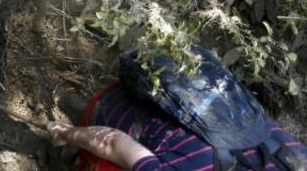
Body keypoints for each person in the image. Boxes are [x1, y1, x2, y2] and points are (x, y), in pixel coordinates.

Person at [46, 48, 307, 170]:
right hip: (112, 107)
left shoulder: (296, 158)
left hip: (160, 89)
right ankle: (77, 149)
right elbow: (111, 142)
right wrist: (66, 133)